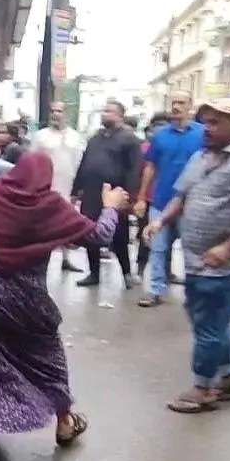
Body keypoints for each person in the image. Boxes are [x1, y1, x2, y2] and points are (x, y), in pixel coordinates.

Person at [0, 151, 129, 461]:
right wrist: (110, 206)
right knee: (45, 361)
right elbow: (99, 237)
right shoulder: (51, 207)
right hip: (26, 302)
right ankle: (64, 423)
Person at [142, 98, 230, 413]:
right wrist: (160, 220)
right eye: (207, 121)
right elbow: (183, 195)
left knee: (209, 327)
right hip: (195, 262)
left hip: (226, 266)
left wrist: (228, 246)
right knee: (206, 321)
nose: (207, 128)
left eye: (217, 122)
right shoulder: (201, 156)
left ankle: (203, 388)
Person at [135, 92, 203, 307]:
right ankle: (155, 290)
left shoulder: (202, 134)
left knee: (192, 250)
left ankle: (195, 294)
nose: (176, 107)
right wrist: (141, 198)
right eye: (173, 103)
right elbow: (150, 167)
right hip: (161, 201)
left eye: (181, 103)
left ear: (190, 106)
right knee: (158, 248)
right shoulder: (160, 136)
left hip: (193, 204)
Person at [72, 100, 142, 289]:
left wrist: (130, 197)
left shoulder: (130, 139)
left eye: (109, 111)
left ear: (120, 115)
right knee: (90, 232)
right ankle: (94, 274)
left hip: (115, 194)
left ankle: (127, 274)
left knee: (119, 235)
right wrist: (75, 190)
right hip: (92, 193)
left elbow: (135, 170)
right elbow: (84, 164)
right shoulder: (95, 138)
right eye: (104, 111)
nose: (105, 114)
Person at [31, 101, 85, 272]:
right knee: (44, 225)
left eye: (59, 111)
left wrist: (79, 187)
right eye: (53, 110)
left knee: (65, 223)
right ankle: (40, 260)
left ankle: (65, 259)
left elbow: (81, 162)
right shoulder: (40, 136)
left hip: (68, 185)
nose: (56, 114)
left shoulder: (75, 137)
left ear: (66, 113)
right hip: (46, 185)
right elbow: (31, 160)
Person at [134, 112, 170, 277]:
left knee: (167, 238)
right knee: (146, 234)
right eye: (155, 127)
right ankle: (141, 266)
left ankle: (166, 270)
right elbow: (139, 172)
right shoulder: (143, 149)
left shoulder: (172, 147)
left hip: (169, 198)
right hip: (148, 198)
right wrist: (139, 197)